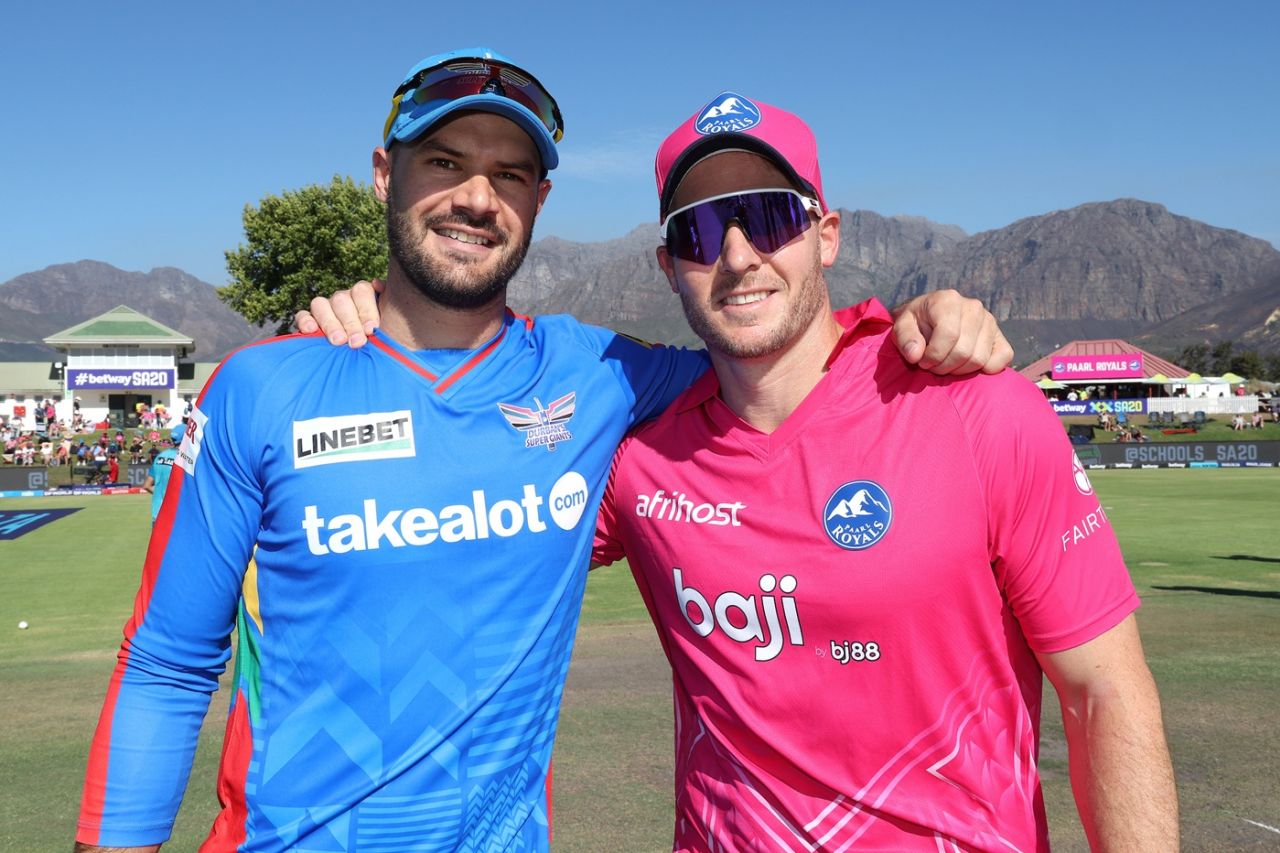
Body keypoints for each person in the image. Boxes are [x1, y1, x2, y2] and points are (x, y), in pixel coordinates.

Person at [76, 49, 1008, 853]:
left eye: (510, 174)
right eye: (445, 161)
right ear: (383, 173)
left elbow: (773, 350)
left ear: (538, 198)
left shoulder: (600, 374)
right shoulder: (260, 388)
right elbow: (166, 662)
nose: (477, 197)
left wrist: (912, 326)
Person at [582, 93, 1181, 850]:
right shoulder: (640, 457)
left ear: (825, 236)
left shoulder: (981, 409)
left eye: (768, 217)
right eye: (699, 231)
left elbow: (1106, 694)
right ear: (669, 266)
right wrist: (388, 322)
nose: (737, 256)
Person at [141, 425, 184, 523]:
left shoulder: (160, 456)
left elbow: (147, 486)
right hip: (175, 517)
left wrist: (162, 495)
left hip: (157, 515)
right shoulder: (184, 460)